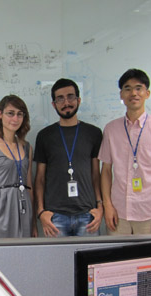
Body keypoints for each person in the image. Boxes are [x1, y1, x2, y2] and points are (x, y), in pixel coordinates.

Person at [99, 68, 151, 235]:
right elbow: (106, 170)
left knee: (148, 260)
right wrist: (108, 206)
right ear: (121, 95)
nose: (133, 93)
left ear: (147, 93)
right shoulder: (111, 129)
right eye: (127, 88)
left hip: (150, 212)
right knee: (117, 260)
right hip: (118, 212)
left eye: (138, 88)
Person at [34, 79, 103, 237]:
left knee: (89, 262)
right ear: (54, 104)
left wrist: (100, 207)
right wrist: (41, 211)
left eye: (70, 97)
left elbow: (95, 174)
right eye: (60, 98)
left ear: (79, 100)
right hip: (55, 217)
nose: (66, 102)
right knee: (57, 262)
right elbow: (40, 179)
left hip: (88, 215)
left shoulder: (93, 133)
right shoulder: (44, 136)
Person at [0, 95, 36, 238]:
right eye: (10, 113)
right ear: (0, 114)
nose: (15, 119)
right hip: (1, 210)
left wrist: (33, 223)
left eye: (19, 114)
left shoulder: (27, 147)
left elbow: (29, 186)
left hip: (24, 209)